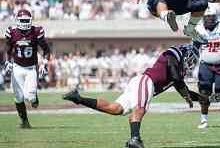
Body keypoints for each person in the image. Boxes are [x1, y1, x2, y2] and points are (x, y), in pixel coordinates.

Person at [63, 44, 201, 148]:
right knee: (139, 109)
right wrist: (186, 95)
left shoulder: (177, 73)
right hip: (146, 81)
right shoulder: (173, 56)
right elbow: (176, 75)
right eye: (191, 60)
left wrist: (200, 98)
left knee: (116, 108)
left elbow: (182, 86)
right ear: (186, 55)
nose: (191, 63)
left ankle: (78, 98)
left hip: (140, 83)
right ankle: (135, 139)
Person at [4, 9, 50, 128]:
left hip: (31, 68)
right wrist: (7, 62)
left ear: (30, 20)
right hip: (17, 68)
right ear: (17, 21)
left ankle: (34, 98)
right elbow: (7, 50)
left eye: (26, 20)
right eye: (22, 20)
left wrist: (45, 63)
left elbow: (46, 50)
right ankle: (24, 122)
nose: (24, 23)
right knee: (19, 98)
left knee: (30, 98)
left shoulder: (36, 31)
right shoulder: (12, 31)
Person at [195, 5, 220, 129]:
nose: (209, 19)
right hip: (205, 64)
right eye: (207, 17)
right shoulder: (198, 29)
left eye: (212, 17)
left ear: (216, 17)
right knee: (204, 92)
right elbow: (195, 47)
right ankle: (204, 119)